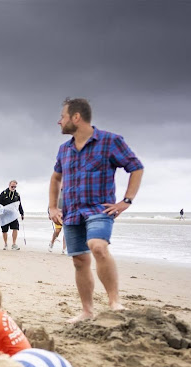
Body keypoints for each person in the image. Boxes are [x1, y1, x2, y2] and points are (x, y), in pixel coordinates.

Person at [49, 97, 144, 322]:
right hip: (71, 212)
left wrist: (126, 201)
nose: (59, 122)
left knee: (98, 247)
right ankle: (87, 311)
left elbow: (136, 168)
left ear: (76, 117)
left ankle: (114, 302)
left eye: (62, 117)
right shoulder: (65, 149)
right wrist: (53, 207)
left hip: (100, 209)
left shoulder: (110, 142)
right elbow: (55, 178)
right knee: (79, 261)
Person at [0, 180, 25, 250]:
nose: (13, 188)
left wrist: (22, 213)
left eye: (15, 187)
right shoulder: (3, 193)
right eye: (12, 186)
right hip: (4, 215)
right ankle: (5, 244)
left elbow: (19, 205)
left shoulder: (17, 195)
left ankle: (14, 244)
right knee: (4, 230)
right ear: (9, 185)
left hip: (13, 215)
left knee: (15, 228)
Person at [49, 188, 66, 254]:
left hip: (66, 214)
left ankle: (64, 249)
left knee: (66, 232)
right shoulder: (56, 192)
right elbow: (51, 204)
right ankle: (52, 242)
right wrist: (50, 213)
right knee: (57, 231)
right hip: (57, 214)